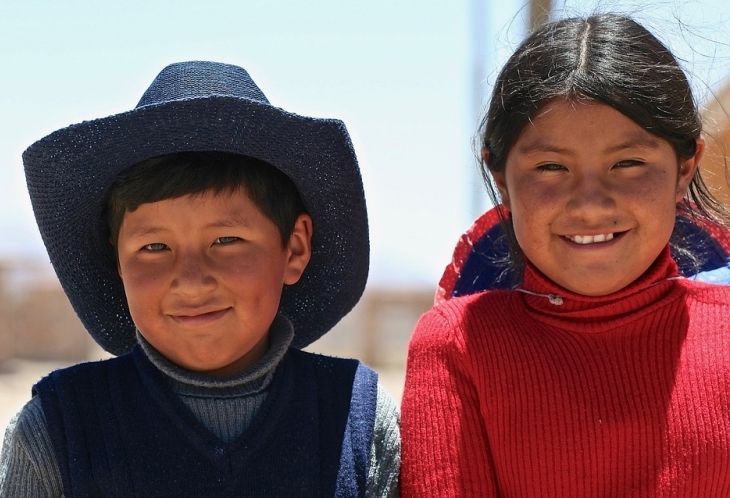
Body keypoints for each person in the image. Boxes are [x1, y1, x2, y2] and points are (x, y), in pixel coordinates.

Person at [0, 61, 400, 497]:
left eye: (226, 240)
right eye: (154, 248)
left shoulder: (356, 421)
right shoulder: (57, 430)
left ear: (295, 248)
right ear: (117, 258)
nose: (190, 282)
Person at [401, 13, 730, 497]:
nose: (591, 204)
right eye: (551, 167)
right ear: (500, 179)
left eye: (629, 163)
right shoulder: (456, 347)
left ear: (685, 167)